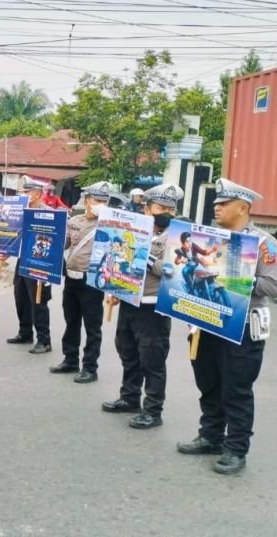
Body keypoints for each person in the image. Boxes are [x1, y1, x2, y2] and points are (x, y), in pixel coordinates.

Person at [177, 178, 277, 475]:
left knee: (236, 389)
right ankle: (210, 436)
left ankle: (236, 449)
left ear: (243, 207)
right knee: (208, 382)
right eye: (215, 204)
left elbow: (275, 286)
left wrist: (233, 277)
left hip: (241, 326)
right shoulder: (210, 239)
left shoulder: (264, 243)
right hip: (206, 321)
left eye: (223, 204)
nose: (217, 208)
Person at [101, 183, 184, 429]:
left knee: (152, 360)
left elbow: (173, 272)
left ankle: (153, 410)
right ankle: (129, 398)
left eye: (171, 208)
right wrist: (113, 288)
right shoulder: (134, 229)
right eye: (161, 207)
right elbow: (115, 258)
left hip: (154, 307)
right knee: (128, 351)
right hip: (129, 300)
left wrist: (145, 258)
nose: (166, 212)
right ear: (147, 209)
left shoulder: (177, 238)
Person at [50, 181, 115, 383]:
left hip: (92, 283)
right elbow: (63, 243)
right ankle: (70, 359)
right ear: (87, 201)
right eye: (97, 200)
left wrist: (114, 288)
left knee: (92, 327)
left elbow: (116, 257)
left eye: (105, 201)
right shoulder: (75, 221)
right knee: (71, 322)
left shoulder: (111, 226)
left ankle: (90, 367)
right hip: (71, 278)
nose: (101, 204)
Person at [6, 176, 54, 354]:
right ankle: (25, 332)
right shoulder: (21, 211)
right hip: (22, 259)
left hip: (40, 261)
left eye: (28, 192)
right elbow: (13, 233)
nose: (25, 194)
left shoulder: (48, 212)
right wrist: (6, 250)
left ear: (38, 194)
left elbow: (54, 239)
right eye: (24, 191)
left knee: (38, 300)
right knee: (20, 296)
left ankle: (44, 340)